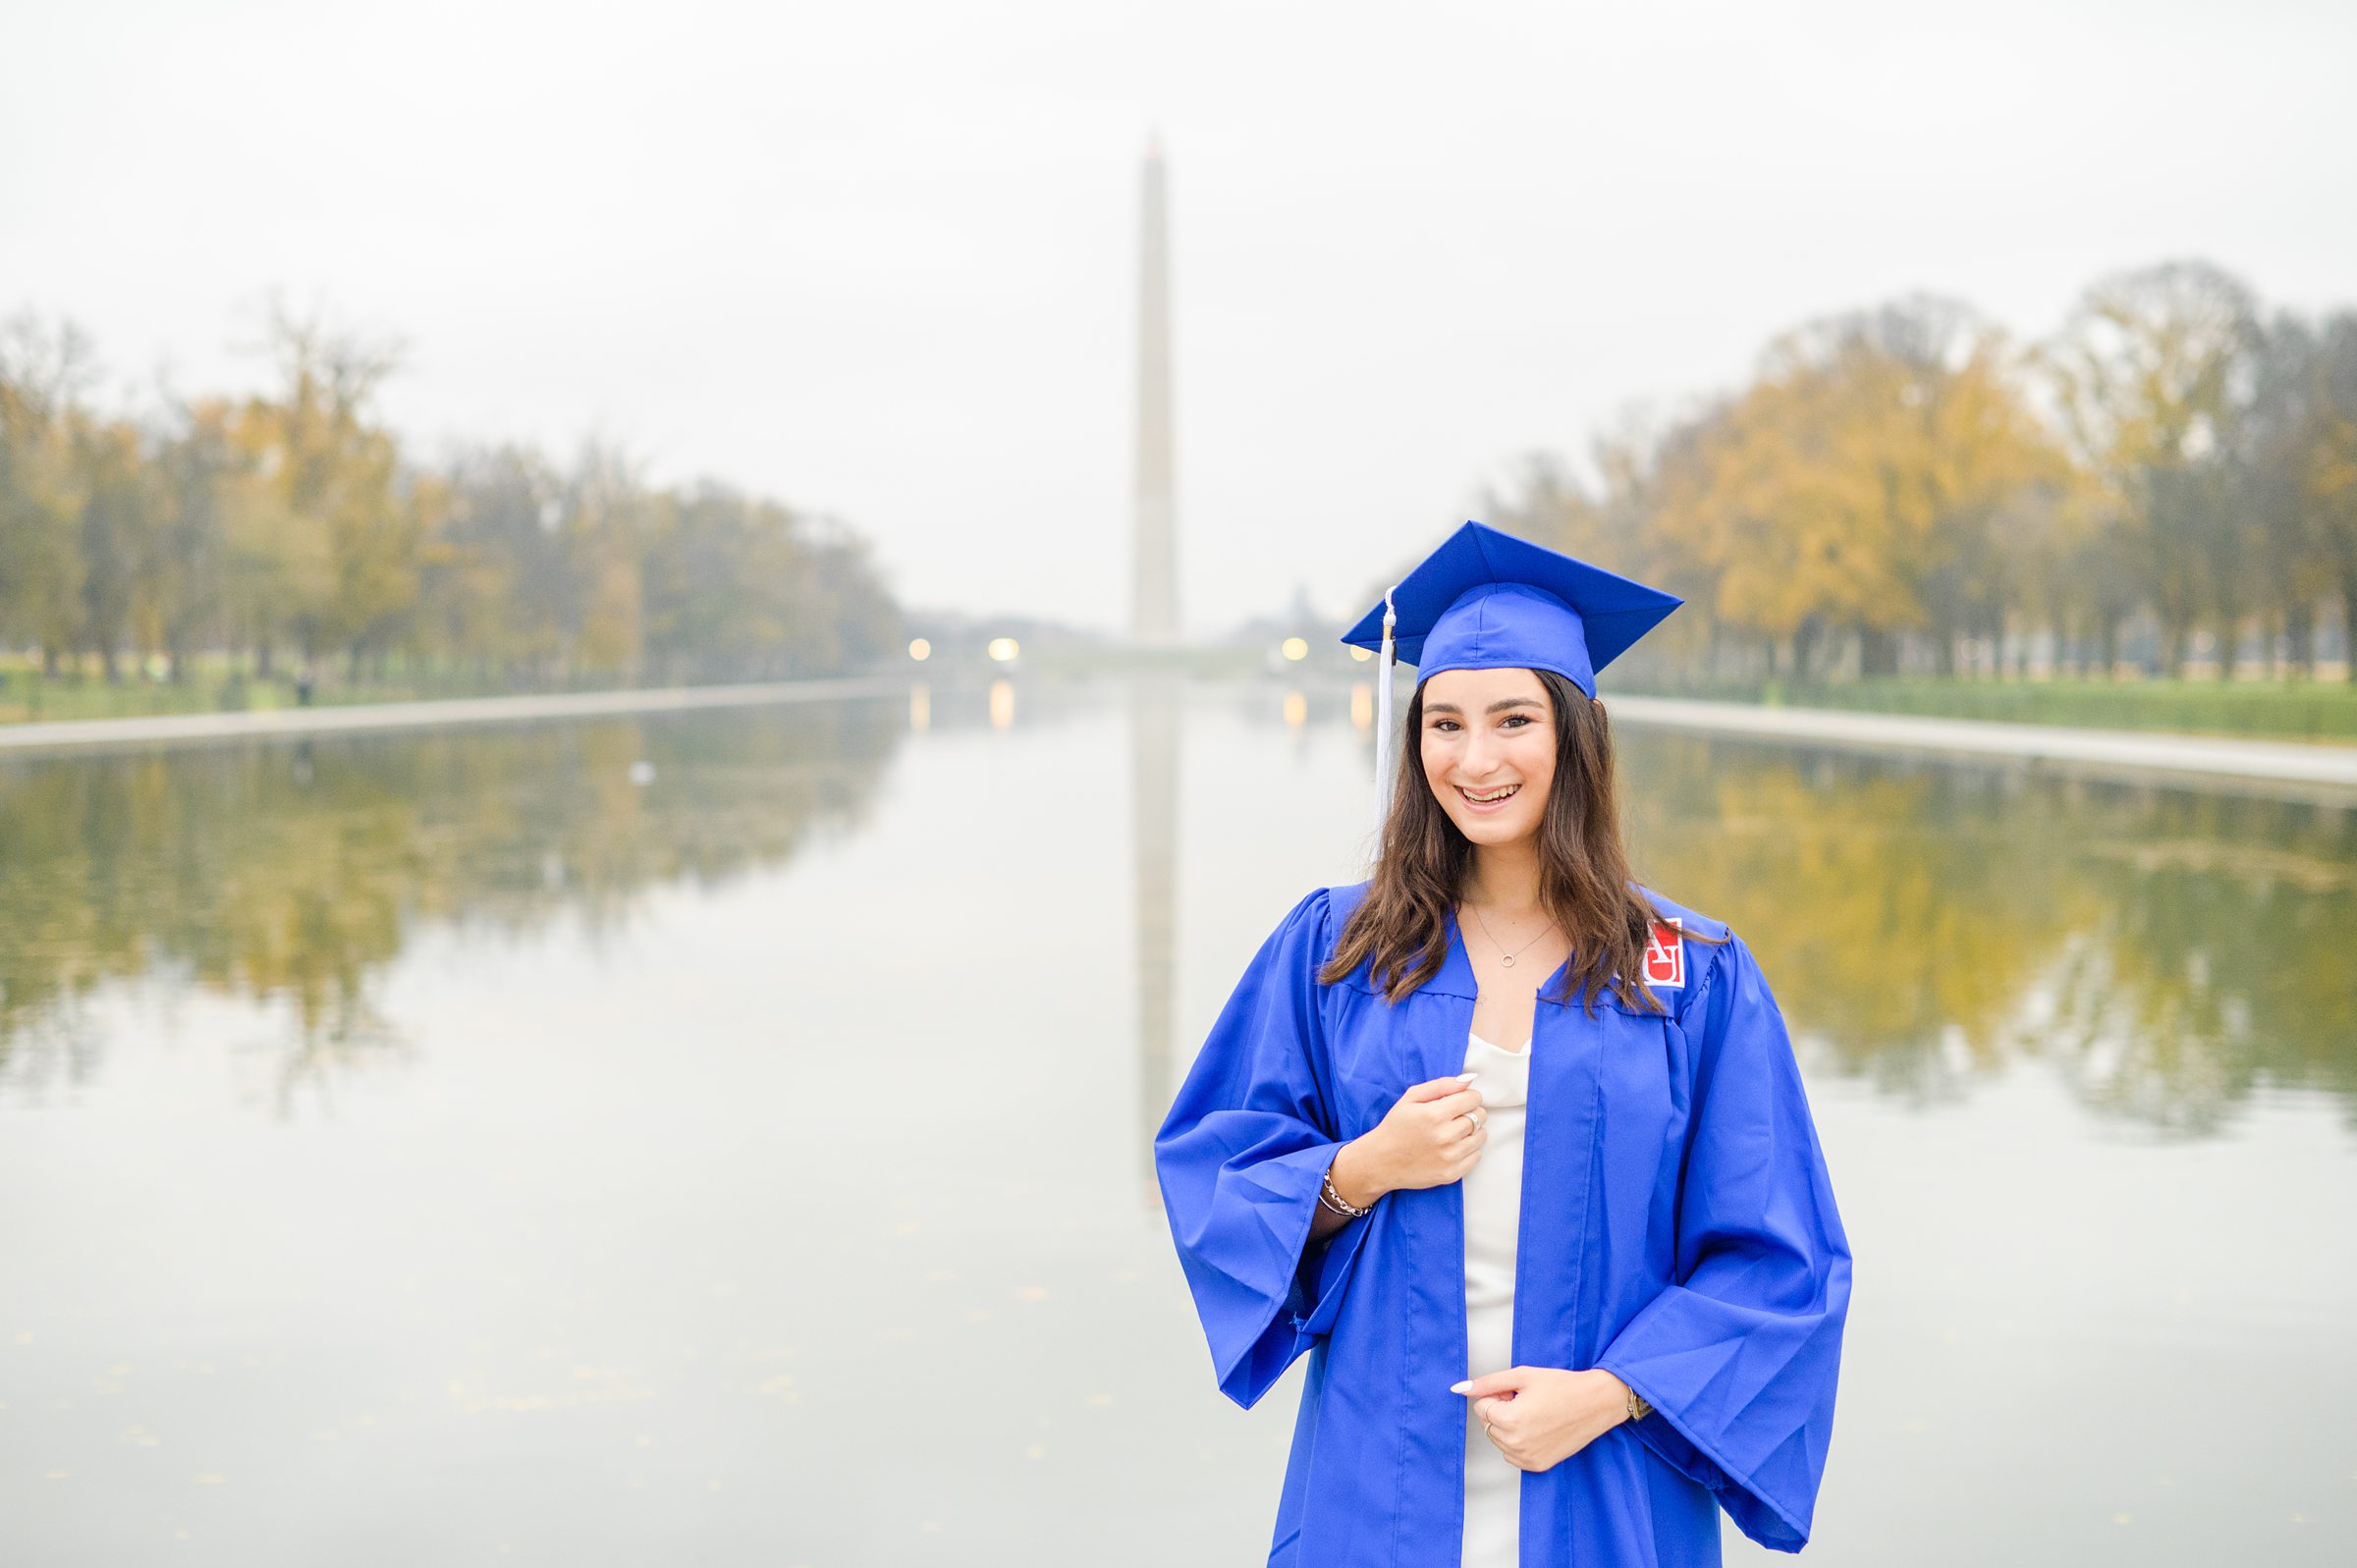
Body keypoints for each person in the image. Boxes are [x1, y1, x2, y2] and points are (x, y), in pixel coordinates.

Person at [1152, 520, 1852, 1567]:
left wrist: (1614, 1394)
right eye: (1444, 723)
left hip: (1605, 1484)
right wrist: (1357, 1169)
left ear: (1579, 731)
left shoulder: (1688, 974)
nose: (1475, 760)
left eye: (1513, 718)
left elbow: (1781, 1260)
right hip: (1376, 1487)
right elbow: (1214, 1172)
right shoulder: (1336, 953)